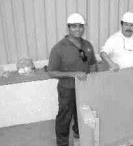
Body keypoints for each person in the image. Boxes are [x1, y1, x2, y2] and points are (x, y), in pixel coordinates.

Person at [47, 13, 97, 146]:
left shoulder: (87, 45)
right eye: (74, 26)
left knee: (81, 113)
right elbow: (51, 72)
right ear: (68, 28)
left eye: (80, 26)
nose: (78, 29)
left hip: (85, 87)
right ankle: (62, 142)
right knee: (65, 116)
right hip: (67, 89)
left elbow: (92, 64)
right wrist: (73, 74)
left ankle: (78, 133)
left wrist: (93, 76)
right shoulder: (59, 48)